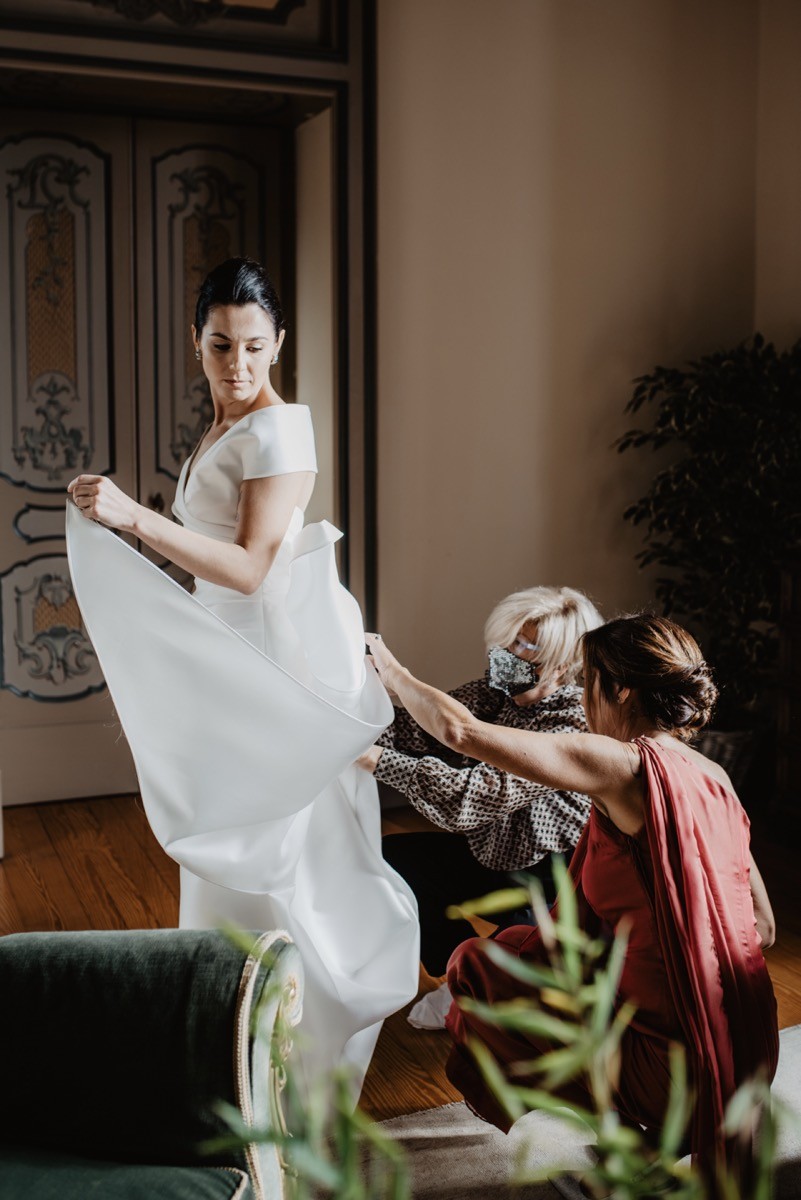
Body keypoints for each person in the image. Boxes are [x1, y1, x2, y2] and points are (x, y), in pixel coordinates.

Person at [66, 257, 418, 1094]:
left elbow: (254, 569)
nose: (238, 364)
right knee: (228, 847)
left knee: (278, 846)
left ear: (278, 343)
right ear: (198, 344)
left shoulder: (279, 428)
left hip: (271, 652)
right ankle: (227, 1037)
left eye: (255, 346)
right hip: (228, 648)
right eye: (221, 344)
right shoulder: (225, 425)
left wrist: (129, 516)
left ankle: (293, 1054)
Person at [363, 614, 778, 1178]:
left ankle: (640, 1123)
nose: (584, 700)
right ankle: (656, 1130)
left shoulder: (621, 762)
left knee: (481, 971)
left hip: (676, 1064)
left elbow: (460, 732)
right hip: (747, 1051)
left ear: (622, 689)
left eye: (589, 685)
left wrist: (390, 669)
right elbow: (764, 924)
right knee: (532, 955)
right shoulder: (714, 776)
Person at [358, 587, 602, 1028]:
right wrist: (358, 706)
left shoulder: (570, 726)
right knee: (388, 861)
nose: (507, 653)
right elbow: (419, 730)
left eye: (525, 647)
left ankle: (499, 984)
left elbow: (470, 796)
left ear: (563, 664)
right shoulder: (496, 696)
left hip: (553, 886)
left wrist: (375, 758)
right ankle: (460, 982)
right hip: (494, 857)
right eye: (507, 640)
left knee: (528, 989)